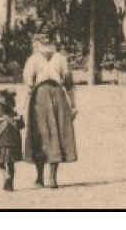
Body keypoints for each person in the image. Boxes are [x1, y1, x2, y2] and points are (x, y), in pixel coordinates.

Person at [20, 33, 78, 188]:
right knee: (47, 134)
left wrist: (73, 106)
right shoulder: (44, 59)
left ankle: (47, 178)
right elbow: (29, 84)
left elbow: (29, 83)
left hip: (49, 97)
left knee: (49, 134)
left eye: (47, 40)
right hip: (48, 98)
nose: (46, 44)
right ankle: (45, 178)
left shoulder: (51, 59)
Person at [0, 88, 25, 191]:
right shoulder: (16, 115)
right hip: (14, 143)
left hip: (1, 143)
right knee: (11, 164)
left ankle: (6, 176)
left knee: (0, 163)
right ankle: (10, 185)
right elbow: (22, 126)